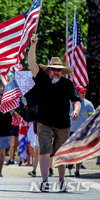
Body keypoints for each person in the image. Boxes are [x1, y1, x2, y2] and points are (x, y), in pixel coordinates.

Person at [28, 33, 81, 192]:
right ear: (49, 70)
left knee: (60, 154)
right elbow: (31, 62)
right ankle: (45, 181)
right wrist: (33, 44)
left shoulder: (67, 84)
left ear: (62, 71)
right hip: (44, 123)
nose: (56, 71)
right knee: (44, 150)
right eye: (53, 69)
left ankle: (62, 181)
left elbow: (76, 100)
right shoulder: (42, 79)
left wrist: (76, 111)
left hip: (63, 124)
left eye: (59, 69)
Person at [67, 85, 95, 178]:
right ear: (76, 93)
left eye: (84, 92)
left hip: (82, 131)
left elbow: (92, 117)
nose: (84, 94)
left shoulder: (88, 104)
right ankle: (70, 161)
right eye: (81, 92)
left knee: (80, 152)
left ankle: (77, 171)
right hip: (69, 130)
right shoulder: (68, 103)